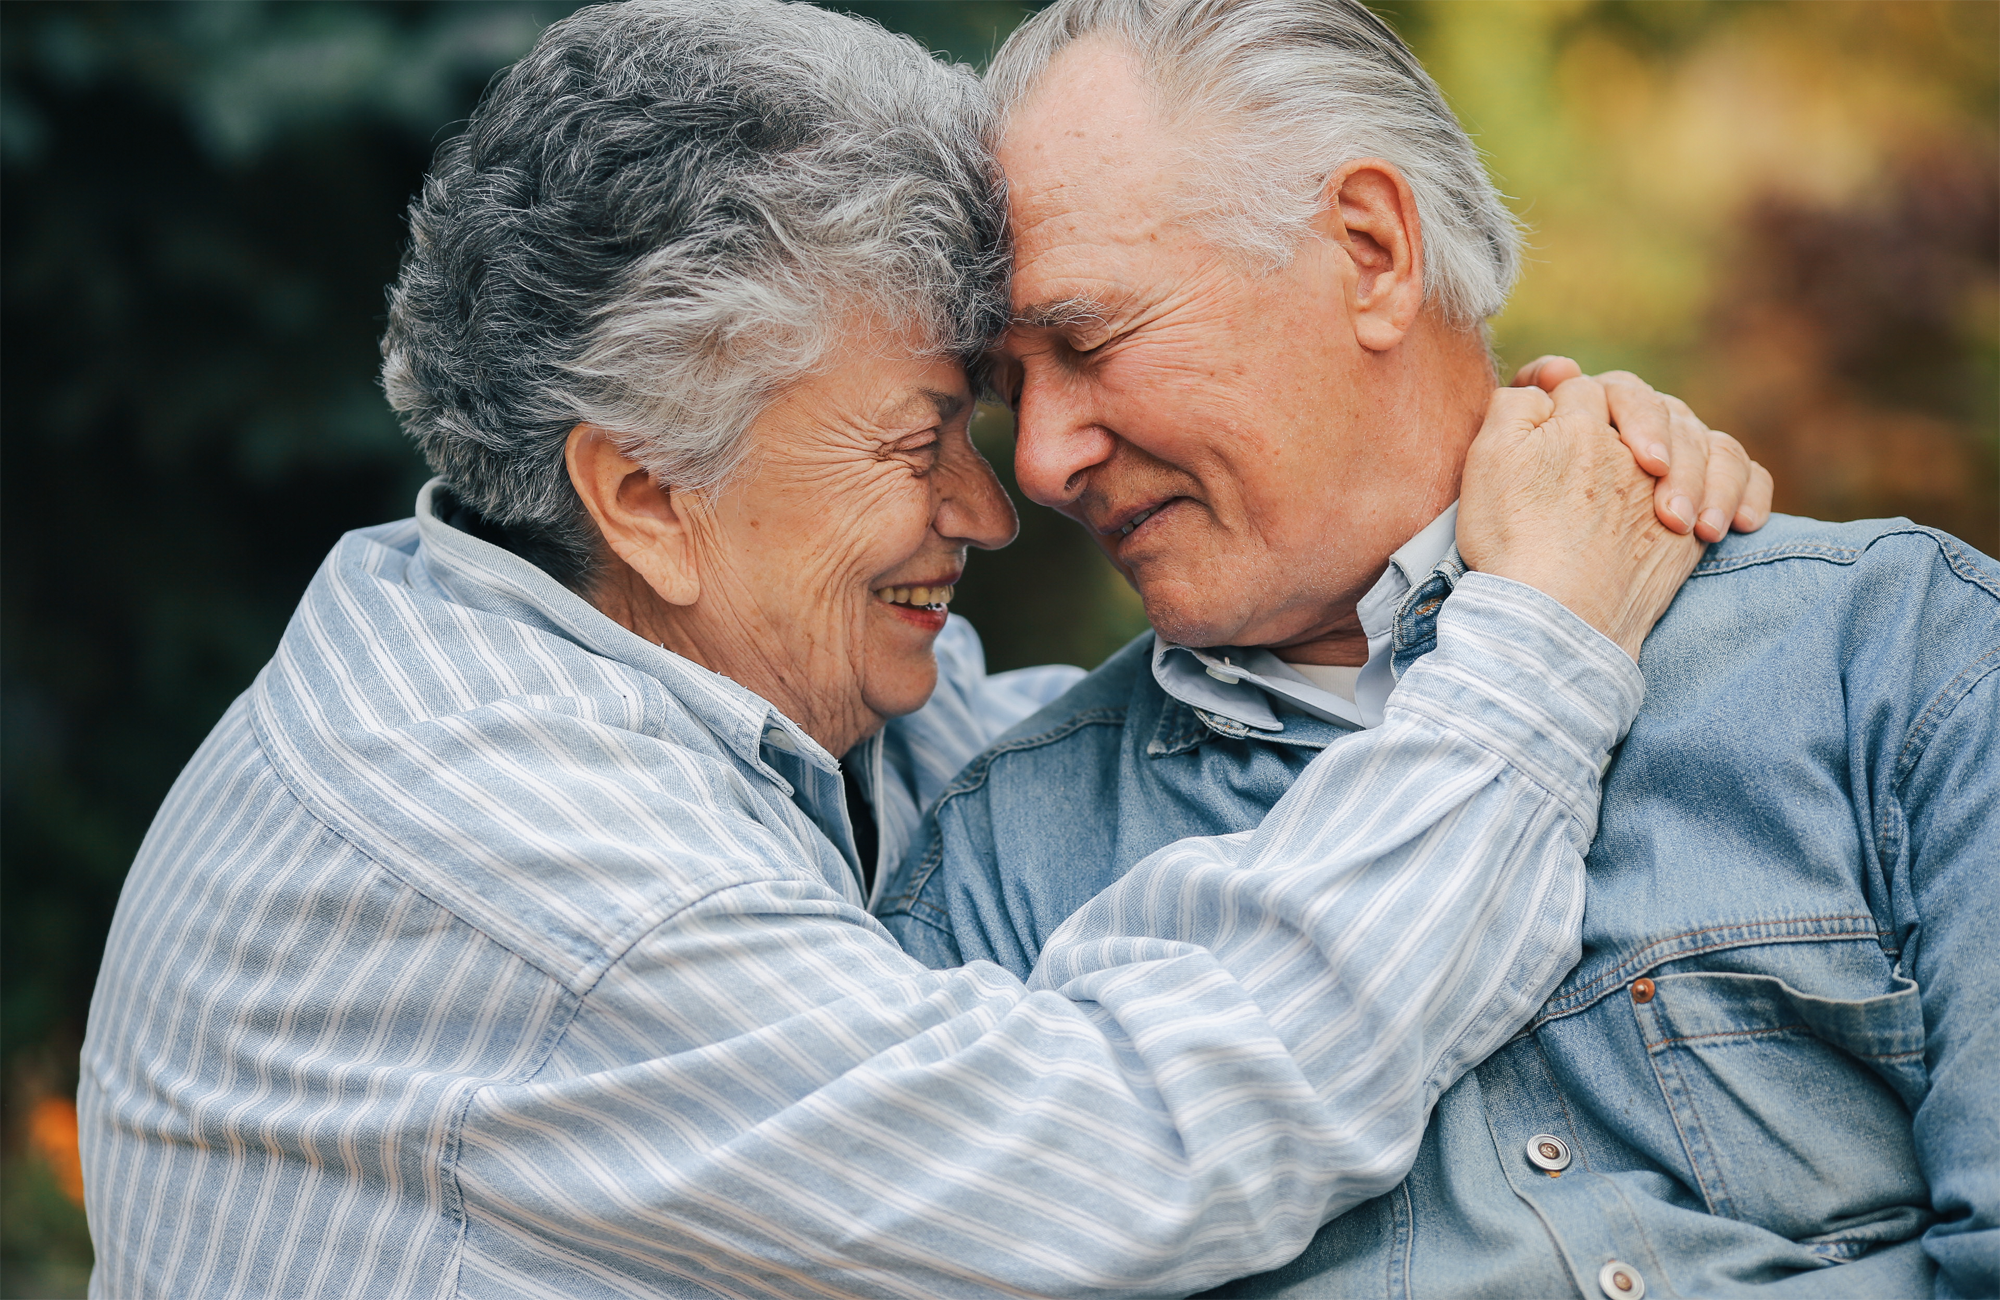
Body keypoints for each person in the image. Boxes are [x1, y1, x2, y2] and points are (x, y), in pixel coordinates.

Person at [74, 3, 1770, 1296]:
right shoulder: (495, 826)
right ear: (647, 491)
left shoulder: (666, 656)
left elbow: (1144, 750)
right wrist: (1542, 649)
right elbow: (1124, 1158)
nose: (1002, 494)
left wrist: (1541, 512)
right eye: (917, 439)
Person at [881, 2, 2000, 1297]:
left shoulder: (1895, 653)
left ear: (1370, 250)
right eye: (1018, 394)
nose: (1040, 462)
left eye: (1089, 343)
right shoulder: (999, 872)